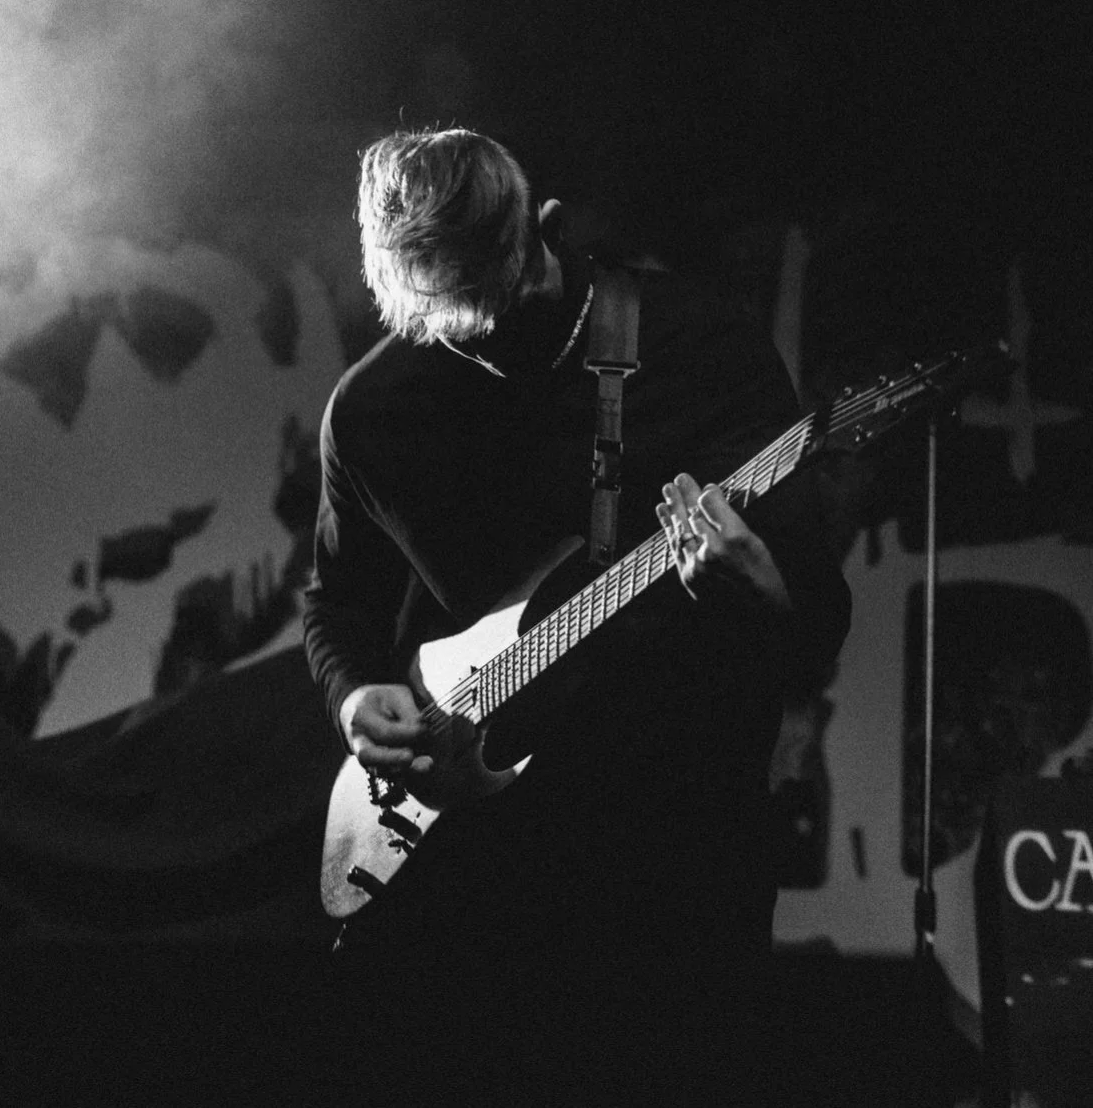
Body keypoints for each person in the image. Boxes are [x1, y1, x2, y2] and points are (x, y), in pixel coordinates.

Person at [304, 128, 851, 1102]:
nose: (478, 334)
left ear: (543, 227)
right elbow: (337, 602)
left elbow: (816, 612)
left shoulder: (697, 345)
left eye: (497, 298)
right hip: (484, 861)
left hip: (681, 850)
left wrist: (766, 587)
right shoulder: (374, 408)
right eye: (445, 318)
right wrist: (355, 698)